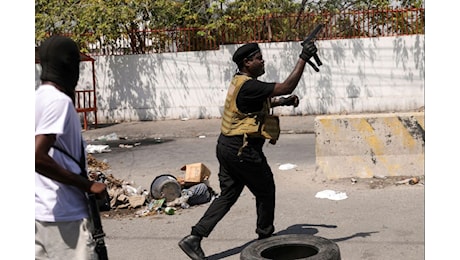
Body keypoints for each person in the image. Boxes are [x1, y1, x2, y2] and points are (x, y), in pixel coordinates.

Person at [178, 40, 318, 259]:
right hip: (242, 150)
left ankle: (194, 238)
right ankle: (266, 238)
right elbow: (286, 85)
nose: (263, 62)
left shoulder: (241, 82)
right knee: (265, 189)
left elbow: (255, 104)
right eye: (258, 58)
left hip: (226, 145)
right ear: (247, 62)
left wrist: (282, 102)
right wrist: (303, 58)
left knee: (229, 194)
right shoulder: (250, 85)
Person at [35, 35, 108, 259]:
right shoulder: (59, 102)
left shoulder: (36, 98)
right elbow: (35, 157)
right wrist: (87, 185)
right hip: (65, 217)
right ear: (69, 65)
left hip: (39, 212)